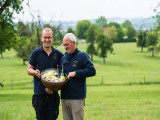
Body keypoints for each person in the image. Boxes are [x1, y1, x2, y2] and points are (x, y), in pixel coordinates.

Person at [27, 28, 63, 120]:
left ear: (52, 38)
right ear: (41, 38)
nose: (47, 40)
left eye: (49, 37)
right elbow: (29, 69)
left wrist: (54, 87)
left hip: (53, 96)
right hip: (39, 95)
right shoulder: (36, 53)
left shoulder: (58, 54)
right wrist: (35, 72)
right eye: (45, 37)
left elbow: (62, 74)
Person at [60, 33, 96, 120]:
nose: (65, 47)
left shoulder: (82, 56)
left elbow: (92, 71)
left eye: (67, 44)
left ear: (74, 43)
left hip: (77, 98)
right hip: (64, 98)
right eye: (64, 45)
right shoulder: (63, 58)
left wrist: (76, 73)